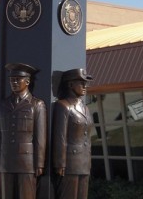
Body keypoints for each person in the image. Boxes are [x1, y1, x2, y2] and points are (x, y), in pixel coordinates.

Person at [0, 63, 47, 199]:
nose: (14, 82)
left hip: (27, 161)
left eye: (18, 79)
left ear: (27, 81)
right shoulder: (3, 104)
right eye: (12, 80)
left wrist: (39, 163)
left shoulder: (37, 105)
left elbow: (40, 137)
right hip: (6, 161)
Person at [52, 68, 93, 199]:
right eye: (81, 83)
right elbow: (60, 137)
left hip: (84, 162)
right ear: (70, 85)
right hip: (70, 162)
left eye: (86, 83)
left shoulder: (85, 108)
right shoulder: (63, 106)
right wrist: (60, 163)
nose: (85, 86)